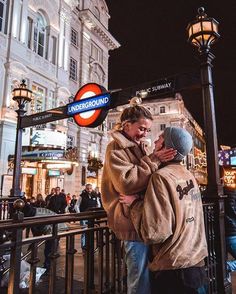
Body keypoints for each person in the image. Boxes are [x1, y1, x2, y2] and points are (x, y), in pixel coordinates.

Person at [120, 127, 208, 294]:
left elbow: (156, 232)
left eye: (160, 139)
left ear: (168, 148)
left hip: (173, 265)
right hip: (195, 260)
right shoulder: (189, 176)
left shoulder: (161, 177)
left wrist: (134, 204)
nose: (154, 141)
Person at [101, 100, 176, 294]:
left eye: (147, 130)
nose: (144, 133)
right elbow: (126, 182)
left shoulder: (138, 146)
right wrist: (155, 158)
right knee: (139, 277)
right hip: (129, 223)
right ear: (127, 125)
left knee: (147, 274)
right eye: (141, 128)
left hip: (142, 218)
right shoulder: (115, 148)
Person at [75, 184, 100, 250]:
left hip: (92, 216)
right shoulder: (82, 196)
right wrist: (79, 214)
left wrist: (96, 212)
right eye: (88, 188)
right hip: (84, 216)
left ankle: (90, 245)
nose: (89, 190)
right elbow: (76, 205)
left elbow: (98, 205)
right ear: (85, 189)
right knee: (84, 231)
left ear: (92, 189)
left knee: (91, 231)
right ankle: (84, 246)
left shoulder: (95, 196)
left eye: (90, 188)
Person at [224, 187, 236, 274]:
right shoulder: (232, 193)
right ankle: (227, 267)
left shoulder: (226, 192)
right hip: (233, 234)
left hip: (223, 234)